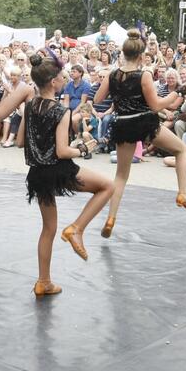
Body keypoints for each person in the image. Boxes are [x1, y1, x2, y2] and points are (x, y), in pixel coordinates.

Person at [17, 51, 113, 294]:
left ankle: (43, 281)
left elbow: (20, 142)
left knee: (47, 229)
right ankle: (77, 228)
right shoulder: (61, 111)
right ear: (53, 82)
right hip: (59, 170)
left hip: (37, 173)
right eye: (61, 76)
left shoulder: (29, 106)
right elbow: (61, 151)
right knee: (107, 186)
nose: (64, 78)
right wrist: (81, 148)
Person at [93, 29, 186, 238]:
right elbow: (156, 105)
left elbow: (97, 99)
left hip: (123, 123)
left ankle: (111, 218)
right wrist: (179, 92)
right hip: (143, 122)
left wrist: (116, 93)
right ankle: (183, 194)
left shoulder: (113, 74)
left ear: (123, 53)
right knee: (180, 150)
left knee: (121, 176)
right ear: (142, 56)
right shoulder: (144, 75)